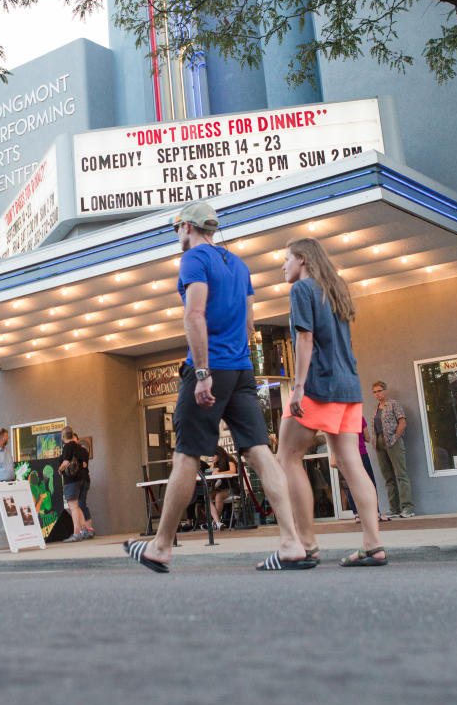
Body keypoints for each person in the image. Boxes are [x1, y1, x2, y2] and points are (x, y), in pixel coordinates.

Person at [123, 200, 315, 573]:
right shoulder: (239, 265)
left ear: (187, 227)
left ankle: (160, 547)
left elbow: (194, 314)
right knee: (260, 453)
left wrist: (202, 373)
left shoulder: (194, 259)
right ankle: (292, 542)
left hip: (210, 366)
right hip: (241, 369)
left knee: (186, 455)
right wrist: (235, 362)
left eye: (176, 227)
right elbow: (249, 324)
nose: (176, 234)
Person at [276, 237, 387, 567]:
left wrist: (298, 387)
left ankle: (307, 545)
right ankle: (373, 545)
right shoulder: (336, 289)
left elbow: (305, 337)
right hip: (348, 384)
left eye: (286, 258)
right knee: (351, 462)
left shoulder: (302, 289)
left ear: (302, 260)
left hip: (317, 385)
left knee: (287, 458)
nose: (283, 266)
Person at [371, 380, 415, 518]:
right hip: (379, 443)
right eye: (374, 392)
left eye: (379, 391)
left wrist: (395, 437)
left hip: (392, 441)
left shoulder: (393, 404)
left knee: (401, 474)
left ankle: (408, 508)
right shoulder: (376, 408)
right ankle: (394, 508)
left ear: (385, 391)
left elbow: (402, 422)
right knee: (388, 477)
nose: (377, 394)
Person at [334, 420, 388, 522]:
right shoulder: (359, 418)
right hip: (362, 454)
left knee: (351, 485)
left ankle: (357, 514)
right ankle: (376, 513)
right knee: (370, 483)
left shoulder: (339, 419)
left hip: (348, 456)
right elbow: (367, 438)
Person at [59, 425, 87, 541]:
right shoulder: (78, 447)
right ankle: (84, 529)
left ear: (63, 436)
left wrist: (60, 469)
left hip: (70, 481)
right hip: (80, 479)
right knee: (77, 506)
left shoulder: (67, 447)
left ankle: (76, 533)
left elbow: (66, 463)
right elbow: (83, 463)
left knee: (73, 507)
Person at [208, 445, 238, 528]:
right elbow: (209, 473)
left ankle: (215, 522)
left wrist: (219, 473)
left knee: (218, 496)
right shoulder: (214, 463)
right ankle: (218, 523)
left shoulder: (229, 460)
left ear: (219, 454)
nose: (212, 458)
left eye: (213, 456)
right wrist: (212, 469)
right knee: (207, 496)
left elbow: (232, 471)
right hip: (218, 489)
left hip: (230, 488)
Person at [72, 432, 95, 539]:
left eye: (73, 439)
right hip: (77, 481)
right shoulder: (74, 451)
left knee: (81, 504)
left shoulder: (82, 450)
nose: (71, 441)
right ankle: (84, 529)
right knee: (79, 505)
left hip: (83, 480)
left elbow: (84, 464)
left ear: (77, 440)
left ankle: (89, 528)